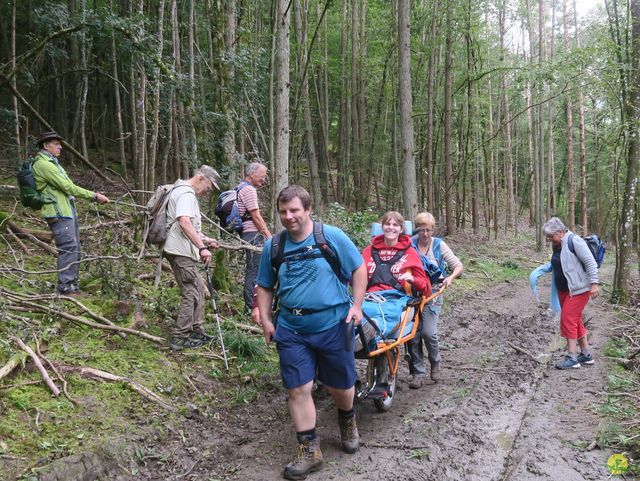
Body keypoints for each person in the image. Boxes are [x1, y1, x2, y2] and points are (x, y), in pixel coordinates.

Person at [256, 185, 367, 480]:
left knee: (340, 386)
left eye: (294, 210)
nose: (288, 217)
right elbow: (265, 285)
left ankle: (347, 420)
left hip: (333, 324)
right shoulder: (274, 246)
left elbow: (359, 269)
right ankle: (309, 450)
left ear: (308, 209)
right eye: (283, 211)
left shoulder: (330, 237)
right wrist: (267, 320)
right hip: (291, 327)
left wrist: (356, 306)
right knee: (297, 388)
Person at [31, 131, 110, 295]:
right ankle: (65, 286)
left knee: (74, 247)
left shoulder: (54, 163)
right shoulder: (43, 165)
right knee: (68, 247)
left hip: (66, 210)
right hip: (57, 212)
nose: (60, 146)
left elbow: (68, 186)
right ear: (46, 145)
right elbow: (68, 188)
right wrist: (94, 196)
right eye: (56, 144)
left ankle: (72, 284)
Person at [163, 166, 221, 351]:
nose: (207, 191)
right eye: (209, 187)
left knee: (197, 287)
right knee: (191, 292)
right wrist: (202, 248)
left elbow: (189, 227)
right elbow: (184, 222)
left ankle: (197, 329)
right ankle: (180, 336)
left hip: (182, 249)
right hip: (180, 250)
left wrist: (205, 239)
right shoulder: (186, 194)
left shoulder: (180, 191)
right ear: (200, 178)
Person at [408, 212, 463, 387]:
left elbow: (458, 265)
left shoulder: (439, 245)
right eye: (422, 230)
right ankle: (418, 372)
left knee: (428, 332)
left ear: (433, 230)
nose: (425, 234)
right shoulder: (409, 245)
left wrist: (450, 278)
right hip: (411, 295)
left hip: (433, 294)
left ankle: (435, 363)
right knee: (412, 335)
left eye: (428, 230)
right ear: (416, 230)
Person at [543, 217, 599, 369]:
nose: (549, 240)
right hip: (564, 290)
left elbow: (590, 262)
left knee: (568, 318)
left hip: (579, 289)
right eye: (547, 237)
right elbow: (561, 262)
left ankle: (572, 357)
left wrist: (594, 284)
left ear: (560, 232)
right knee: (576, 320)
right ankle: (586, 355)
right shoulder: (557, 244)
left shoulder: (574, 241)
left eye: (550, 236)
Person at [361, 211, 431, 297]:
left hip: (399, 300)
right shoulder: (368, 251)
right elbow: (355, 280)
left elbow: (424, 285)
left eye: (395, 225)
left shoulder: (410, 253)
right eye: (387, 224)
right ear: (382, 227)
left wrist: (413, 279)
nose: (391, 227)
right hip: (370, 297)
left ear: (401, 229)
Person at [237, 162, 272, 315]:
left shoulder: (240, 187)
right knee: (254, 270)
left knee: (254, 269)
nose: (263, 180)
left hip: (246, 234)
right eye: (262, 176)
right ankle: (251, 307)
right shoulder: (249, 189)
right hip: (253, 235)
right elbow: (256, 216)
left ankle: (254, 306)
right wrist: (268, 236)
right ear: (251, 174)